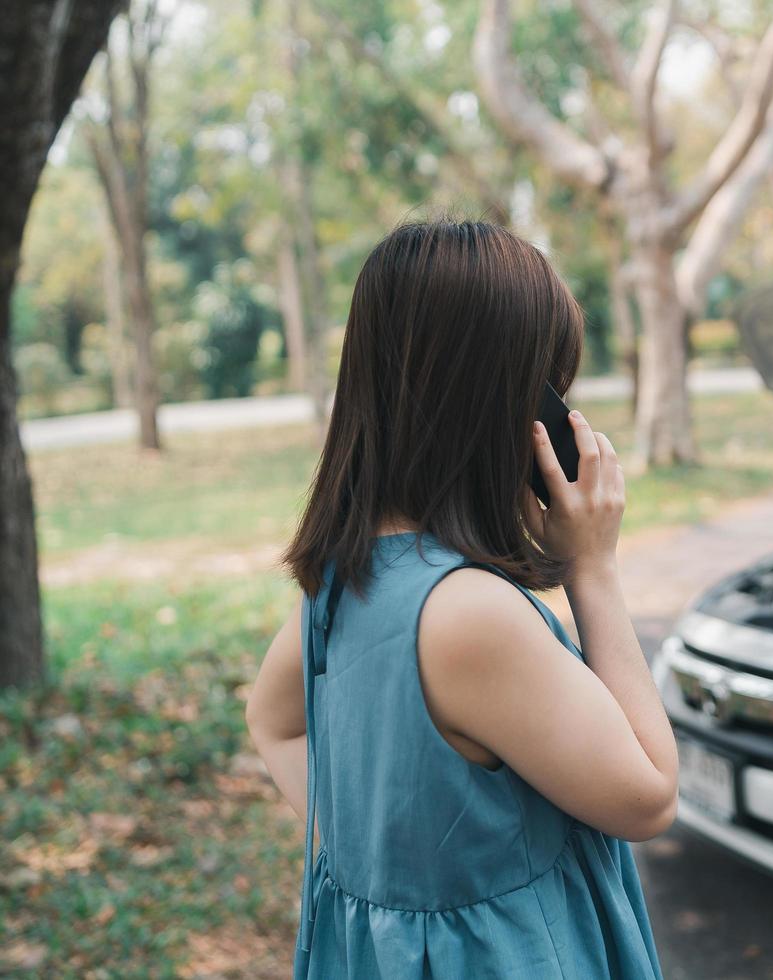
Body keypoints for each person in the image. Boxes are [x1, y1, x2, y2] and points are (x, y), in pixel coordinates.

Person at [244, 218, 674, 979]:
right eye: (553, 388)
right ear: (506, 406)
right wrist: (593, 572)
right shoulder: (469, 614)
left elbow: (273, 723)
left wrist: (380, 866)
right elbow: (647, 798)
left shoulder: (346, 580)